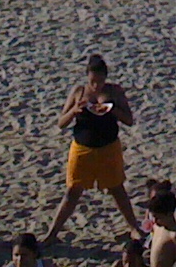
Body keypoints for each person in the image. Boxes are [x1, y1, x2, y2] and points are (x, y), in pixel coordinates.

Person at [44, 54, 143, 244]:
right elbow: (61, 122)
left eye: (100, 81)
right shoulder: (79, 92)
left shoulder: (114, 91)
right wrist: (74, 110)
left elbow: (129, 120)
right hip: (82, 148)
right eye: (92, 81)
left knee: (117, 189)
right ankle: (52, 233)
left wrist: (112, 109)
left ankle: (134, 228)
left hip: (108, 147)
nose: (96, 86)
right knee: (73, 191)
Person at [146, 191, 176, 266]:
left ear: (169, 214)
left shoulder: (174, 236)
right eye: (153, 217)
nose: (154, 220)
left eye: (158, 218)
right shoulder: (157, 226)